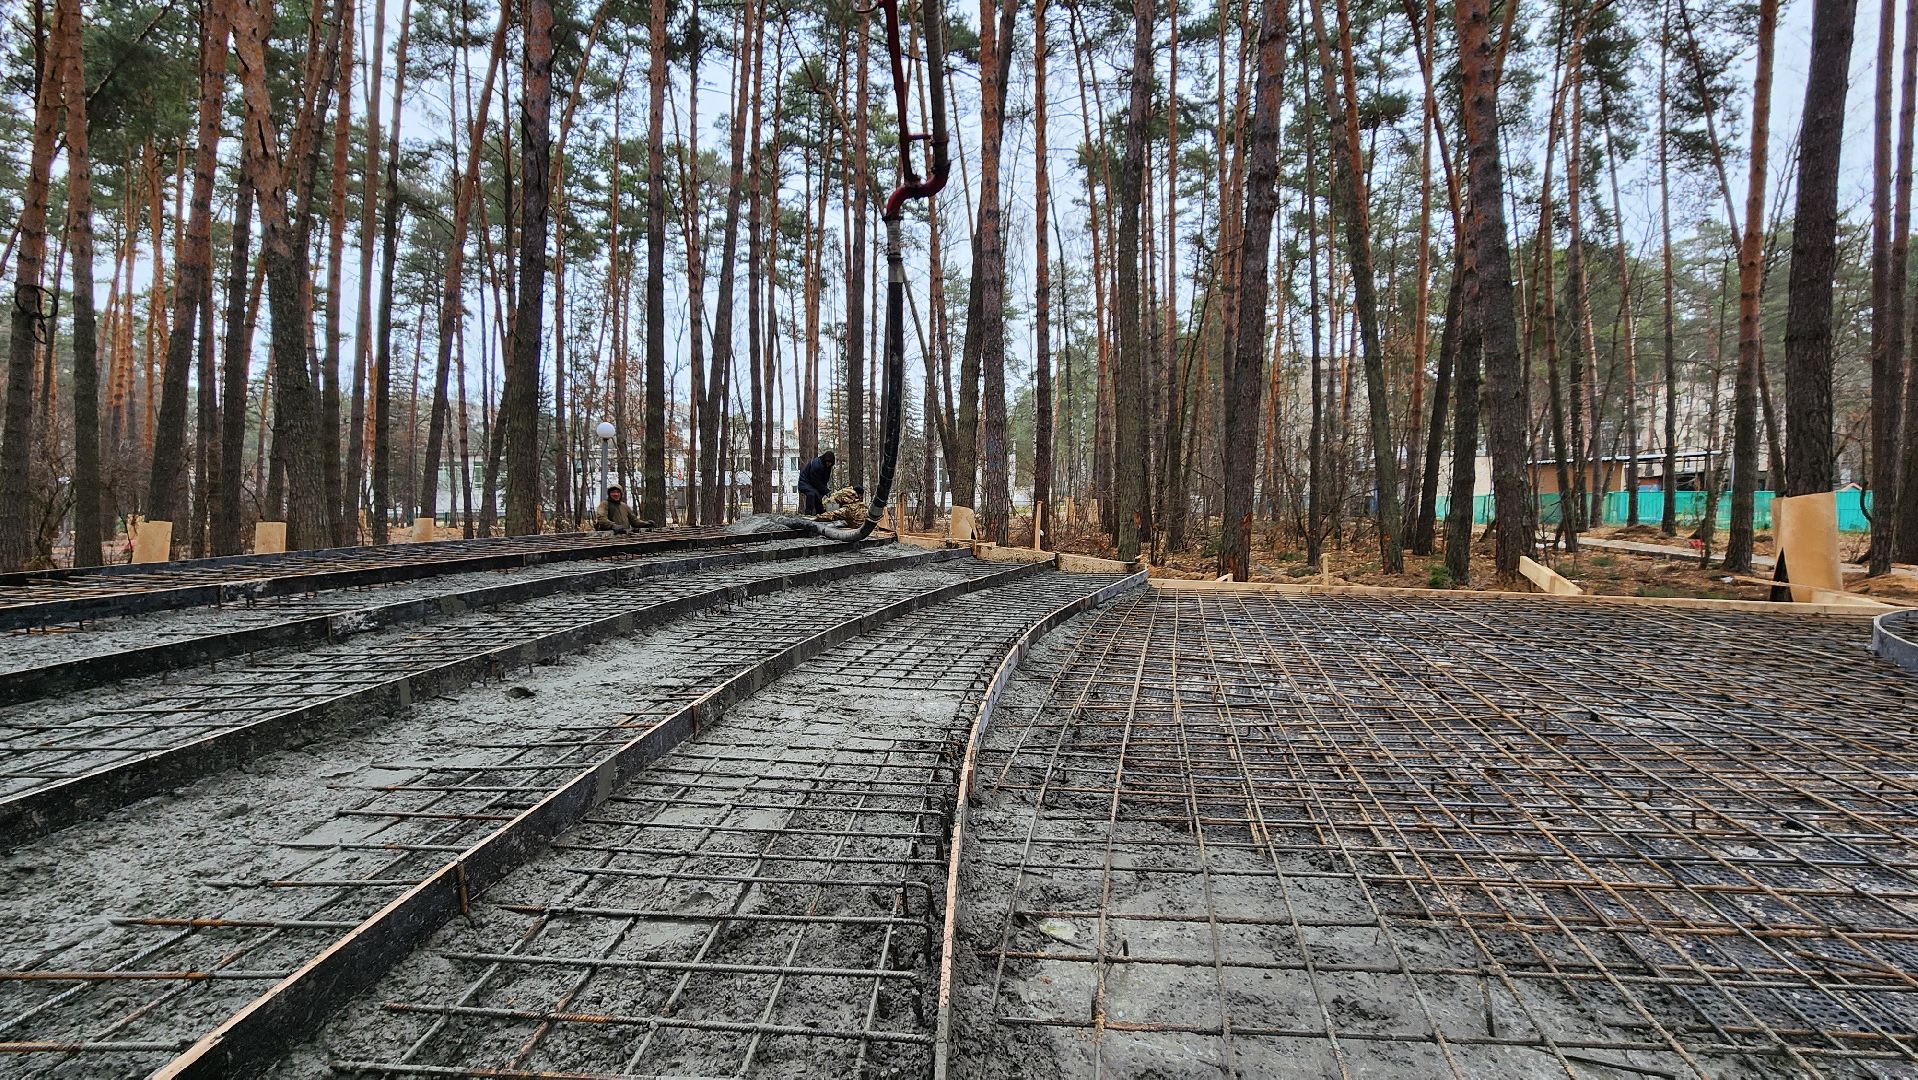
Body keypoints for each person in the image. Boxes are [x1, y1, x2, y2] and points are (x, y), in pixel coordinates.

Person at [797, 449, 836, 515]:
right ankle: (808, 513)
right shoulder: (816, 464)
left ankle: (820, 514)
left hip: (813, 484)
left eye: (830, 463)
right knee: (812, 494)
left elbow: (825, 480)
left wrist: (825, 491)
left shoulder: (827, 467)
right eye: (828, 462)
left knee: (819, 497)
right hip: (805, 482)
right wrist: (826, 490)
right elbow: (815, 481)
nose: (828, 464)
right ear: (825, 460)